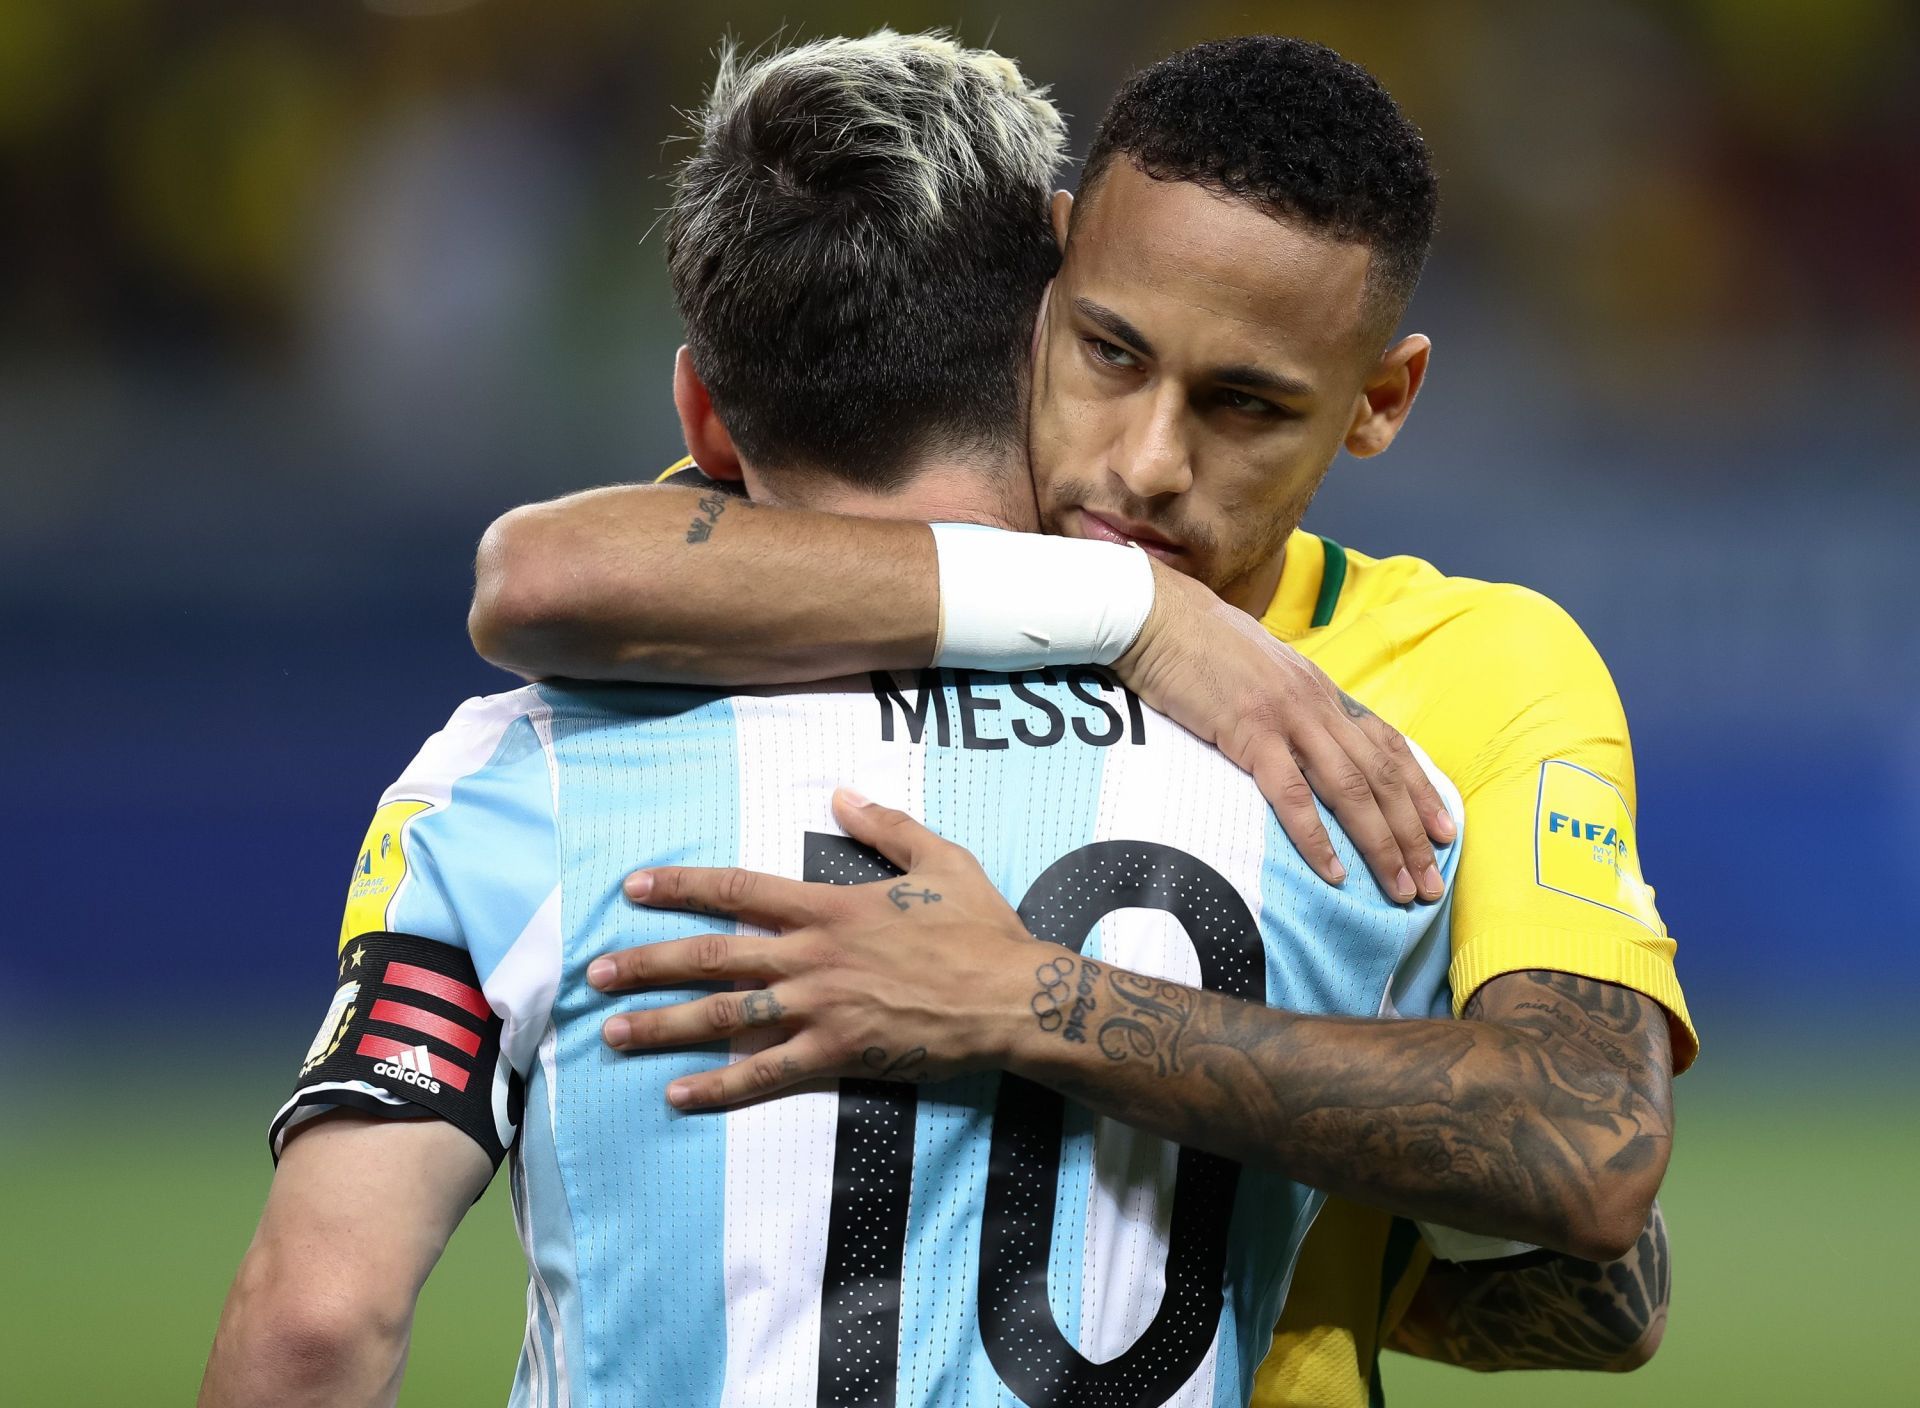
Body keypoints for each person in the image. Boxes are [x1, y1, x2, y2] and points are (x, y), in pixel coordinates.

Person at [199, 32, 1470, 1408]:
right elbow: (1543, 1239)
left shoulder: (517, 780)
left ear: (703, 414)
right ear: (1046, 343)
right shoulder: (1338, 793)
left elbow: (316, 1323)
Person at [470, 34, 1695, 1405]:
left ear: (1381, 401)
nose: (1148, 462)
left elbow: (1589, 1177)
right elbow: (545, 573)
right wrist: (1132, 613)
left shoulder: (1477, 669)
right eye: (1112, 350)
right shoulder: (848, 566)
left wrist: (1034, 1005)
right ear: (1054, 266)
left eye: (1247, 405)